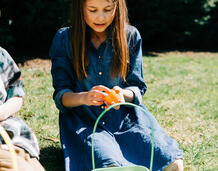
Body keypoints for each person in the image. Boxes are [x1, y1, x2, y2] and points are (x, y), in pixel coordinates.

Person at [49, 0, 183, 171]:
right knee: (108, 163)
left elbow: (137, 86)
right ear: (80, 8)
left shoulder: (130, 36)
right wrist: (84, 97)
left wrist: (123, 94)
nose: (100, 17)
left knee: (172, 163)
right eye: (92, 10)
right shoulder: (64, 38)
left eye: (107, 9)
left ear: (117, 8)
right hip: (86, 123)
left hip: (126, 121)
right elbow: (61, 95)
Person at [0, 47, 45, 171]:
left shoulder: (1, 55)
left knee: (33, 166)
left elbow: (16, 95)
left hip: (9, 133)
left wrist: (2, 112)